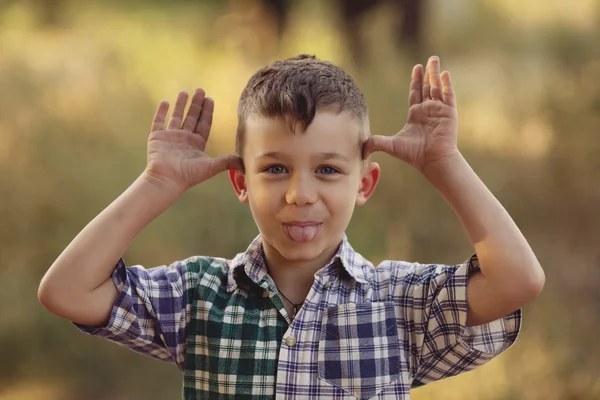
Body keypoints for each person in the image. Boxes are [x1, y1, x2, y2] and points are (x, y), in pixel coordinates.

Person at [38, 54, 545, 399]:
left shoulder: (398, 303)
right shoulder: (200, 296)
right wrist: (157, 184)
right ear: (240, 181)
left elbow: (518, 281)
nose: (300, 194)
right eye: (275, 168)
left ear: (364, 185)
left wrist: (444, 164)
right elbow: (66, 290)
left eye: (327, 169)